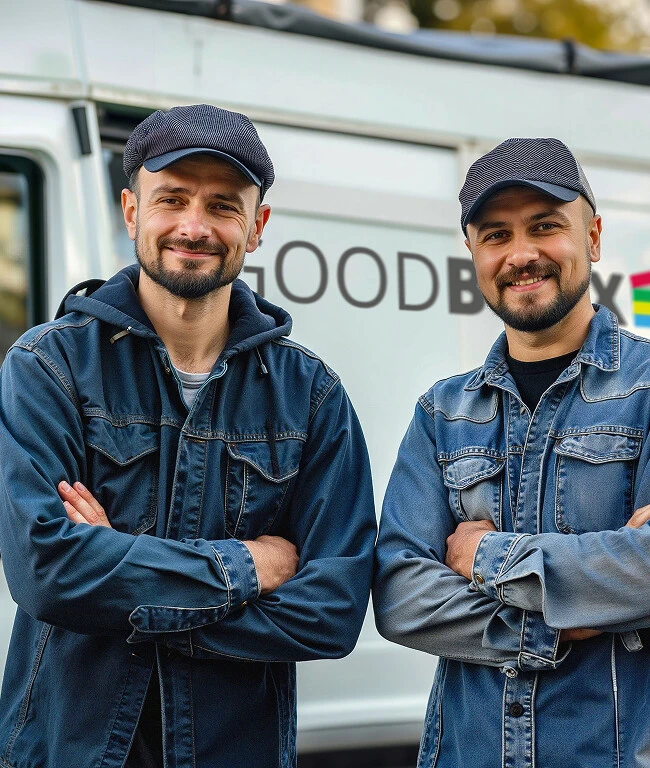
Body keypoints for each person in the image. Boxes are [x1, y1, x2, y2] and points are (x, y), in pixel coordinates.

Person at [0, 104, 376, 768]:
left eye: (223, 206)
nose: (194, 226)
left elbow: (333, 609)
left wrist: (119, 573)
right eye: (171, 198)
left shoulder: (311, 396)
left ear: (256, 226)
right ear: (131, 211)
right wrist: (249, 568)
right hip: (67, 752)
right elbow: (47, 574)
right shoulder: (48, 369)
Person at [373, 137, 650, 768]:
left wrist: (484, 556)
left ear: (595, 238)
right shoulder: (442, 414)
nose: (521, 255)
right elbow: (398, 594)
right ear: (473, 252)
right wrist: (563, 616)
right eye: (496, 234)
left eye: (546, 226)